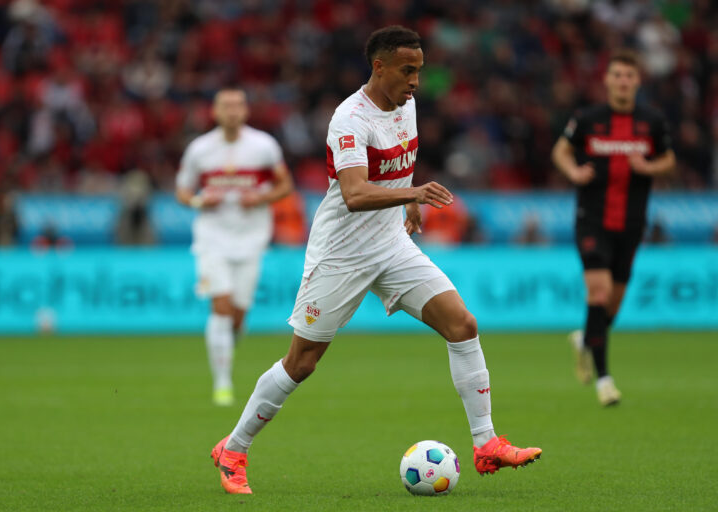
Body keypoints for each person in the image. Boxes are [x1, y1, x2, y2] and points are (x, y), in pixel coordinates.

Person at [210, 26, 541, 495]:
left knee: (462, 325)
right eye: (408, 71)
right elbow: (354, 192)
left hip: (391, 246)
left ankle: (486, 444)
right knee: (302, 362)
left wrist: (407, 203)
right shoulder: (349, 118)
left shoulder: (406, 105)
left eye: (420, 71)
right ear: (379, 66)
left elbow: (398, 163)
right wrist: (414, 193)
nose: (416, 82)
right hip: (341, 254)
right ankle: (234, 448)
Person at [551, 49, 675, 406]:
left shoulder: (651, 121)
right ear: (607, 80)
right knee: (599, 293)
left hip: (632, 223)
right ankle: (604, 380)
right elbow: (560, 151)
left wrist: (649, 168)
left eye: (629, 76)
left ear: (637, 81)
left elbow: (669, 159)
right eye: (617, 75)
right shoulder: (588, 118)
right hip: (592, 219)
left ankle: (586, 339)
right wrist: (574, 172)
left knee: (612, 307)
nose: (623, 81)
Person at [176, 88, 294, 406]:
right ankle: (222, 384)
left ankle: (227, 348)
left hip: (252, 238)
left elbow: (285, 185)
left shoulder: (263, 146)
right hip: (212, 238)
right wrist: (201, 200)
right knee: (222, 306)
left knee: (238, 315)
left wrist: (261, 197)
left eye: (238, 105)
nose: (232, 111)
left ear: (245, 111)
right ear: (214, 112)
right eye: (225, 105)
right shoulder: (199, 149)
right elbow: (183, 191)